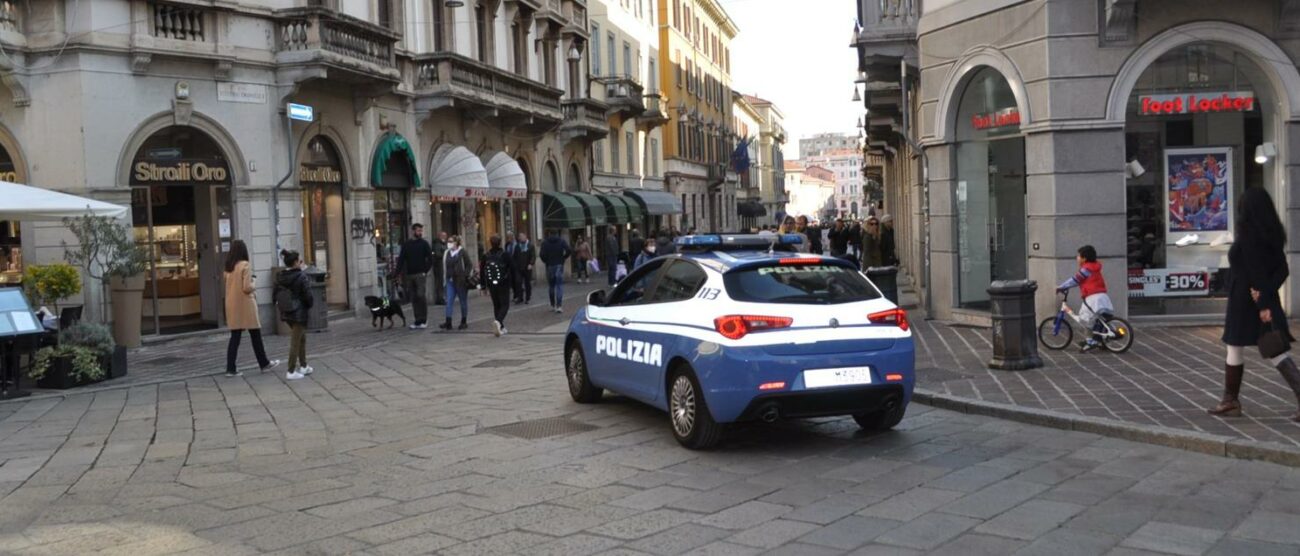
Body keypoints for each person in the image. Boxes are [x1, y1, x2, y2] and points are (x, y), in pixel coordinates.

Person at [1209, 187, 1300, 421]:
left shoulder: (1248, 234)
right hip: (1261, 298)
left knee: (1240, 346)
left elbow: (1254, 272)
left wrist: (1262, 304)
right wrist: (1268, 295)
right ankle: (1230, 401)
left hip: (1246, 302)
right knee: (1274, 349)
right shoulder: (1273, 234)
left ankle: (1230, 401)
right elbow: (1282, 270)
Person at [223, 240, 279, 377]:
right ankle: (264, 363)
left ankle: (231, 368)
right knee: (255, 335)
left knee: (235, 337)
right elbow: (247, 288)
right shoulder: (245, 265)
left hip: (231, 304)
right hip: (246, 305)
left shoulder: (228, 267)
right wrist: (254, 281)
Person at [1055, 245, 1115, 353]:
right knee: (1099, 320)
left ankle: (1090, 342)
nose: (1077, 258)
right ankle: (1102, 340)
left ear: (1084, 258)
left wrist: (1061, 287)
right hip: (1103, 296)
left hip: (1093, 298)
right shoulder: (1095, 267)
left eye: (1078, 256)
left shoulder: (1086, 269)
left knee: (1085, 319)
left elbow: (1075, 280)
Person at [275, 250, 314, 380]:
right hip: (299, 312)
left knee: (301, 338)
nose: (301, 263)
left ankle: (303, 365)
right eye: (300, 261)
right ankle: (291, 371)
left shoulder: (281, 276)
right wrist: (309, 305)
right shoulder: (301, 276)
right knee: (296, 341)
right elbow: (308, 296)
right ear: (296, 262)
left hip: (287, 311)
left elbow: (275, 294)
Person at [394, 223, 434, 329]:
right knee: (414, 297)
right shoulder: (407, 245)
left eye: (421, 231)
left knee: (421, 295)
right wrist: (396, 273)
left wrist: (425, 271)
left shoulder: (424, 244)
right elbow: (401, 260)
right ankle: (417, 320)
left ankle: (423, 319)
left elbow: (430, 259)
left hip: (420, 274)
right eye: (418, 231)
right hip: (410, 275)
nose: (420, 233)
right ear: (413, 231)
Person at [479, 235, 513, 337]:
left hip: (491, 284)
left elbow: (482, 271)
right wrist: (514, 285)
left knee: (496, 304)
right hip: (503, 283)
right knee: (505, 304)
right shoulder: (505, 255)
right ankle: (498, 322)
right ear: (500, 242)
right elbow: (512, 268)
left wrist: (483, 286)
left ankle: (500, 327)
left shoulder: (486, 255)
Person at [439, 235, 474, 331]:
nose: (449, 243)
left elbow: (469, 265)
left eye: (451, 241)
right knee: (449, 301)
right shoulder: (447, 253)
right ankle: (448, 321)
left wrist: (464, 275)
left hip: (460, 282)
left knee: (463, 301)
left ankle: (463, 321)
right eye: (448, 241)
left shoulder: (462, 252)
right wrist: (445, 279)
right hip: (450, 280)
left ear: (456, 243)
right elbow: (445, 266)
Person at [539, 229, 572, 313]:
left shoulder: (545, 242)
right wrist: (563, 258)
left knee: (551, 286)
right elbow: (568, 250)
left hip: (549, 265)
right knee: (559, 285)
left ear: (549, 233)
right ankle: (559, 306)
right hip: (559, 264)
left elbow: (541, 254)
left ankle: (552, 304)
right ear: (557, 233)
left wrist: (546, 261)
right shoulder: (561, 241)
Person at [507, 232, 535, 304]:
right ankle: (520, 297)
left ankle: (528, 297)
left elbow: (533, 256)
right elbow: (514, 257)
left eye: (523, 237)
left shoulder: (530, 245)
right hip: (519, 268)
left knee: (527, 283)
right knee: (518, 282)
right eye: (520, 237)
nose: (521, 238)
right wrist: (515, 265)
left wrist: (531, 264)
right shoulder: (517, 246)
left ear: (525, 237)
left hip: (527, 267)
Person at [431, 230, 449, 305]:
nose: (445, 237)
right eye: (443, 236)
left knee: (442, 282)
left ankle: (442, 298)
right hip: (439, 266)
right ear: (440, 236)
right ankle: (440, 298)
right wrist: (446, 255)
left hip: (443, 265)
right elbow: (438, 254)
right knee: (440, 282)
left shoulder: (443, 243)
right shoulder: (438, 244)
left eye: (445, 236)